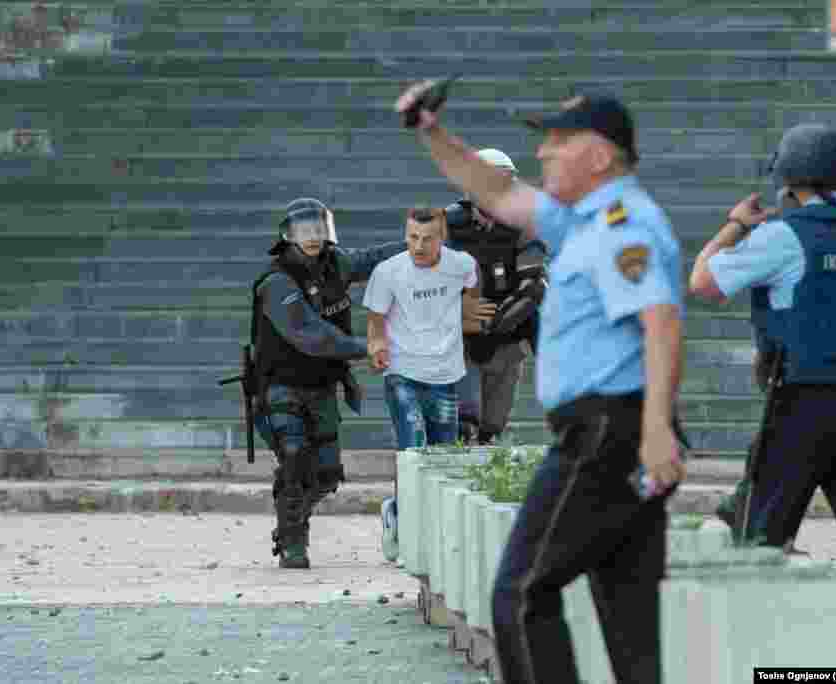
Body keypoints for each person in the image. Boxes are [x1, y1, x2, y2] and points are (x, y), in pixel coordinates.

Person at [395, 84, 686, 683]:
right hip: (614, 429)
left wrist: (657, 430)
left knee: (521, 596)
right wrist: (431, 131)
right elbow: (493, 188)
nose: (545, 152)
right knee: (627, 620)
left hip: (609, 431)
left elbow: (661, 321)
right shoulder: (578, 218)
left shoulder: (623, 225)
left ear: (600, 156)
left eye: (558, 140)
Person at [688, 123, 836, 572]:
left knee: (759, 536)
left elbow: (703, 281)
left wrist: (735, 226)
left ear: (790, 181)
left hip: (802, 403)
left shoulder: (784, 235)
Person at [250, 197, 405, 569]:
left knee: (327, 474)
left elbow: (373, 258)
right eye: (305, 230)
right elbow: (310, 334)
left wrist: (436, 235)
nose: (314, 236)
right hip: (281, 385)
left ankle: (294, 516)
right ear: (289, 235)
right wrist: (365, 347)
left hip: (321, 384)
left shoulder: (337, 264)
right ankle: (292, 539)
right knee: (294, 458)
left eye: (319, 228)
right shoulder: (276, 281)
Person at [363, 206, 481, 562]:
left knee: (443, 456)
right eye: (412, 237)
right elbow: (375, 319)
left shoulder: (461, 266)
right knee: (413, 449)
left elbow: (473, 293)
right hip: (402, 372)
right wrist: (376, 344)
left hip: (445, 374)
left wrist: (467, 316)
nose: (418, 246)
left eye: (427, 239)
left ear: (441, 238)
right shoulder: (388, 272)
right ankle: (407, 532)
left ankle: (423, 527)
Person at [446, 148, 549, 445]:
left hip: (506, 333)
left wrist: (497, 323)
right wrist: (455, 311)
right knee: (463, 424)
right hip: (459, 339)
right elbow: (422, 280)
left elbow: (533, 285)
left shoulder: (525, 225)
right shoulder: (447, 225)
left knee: (493, 427)